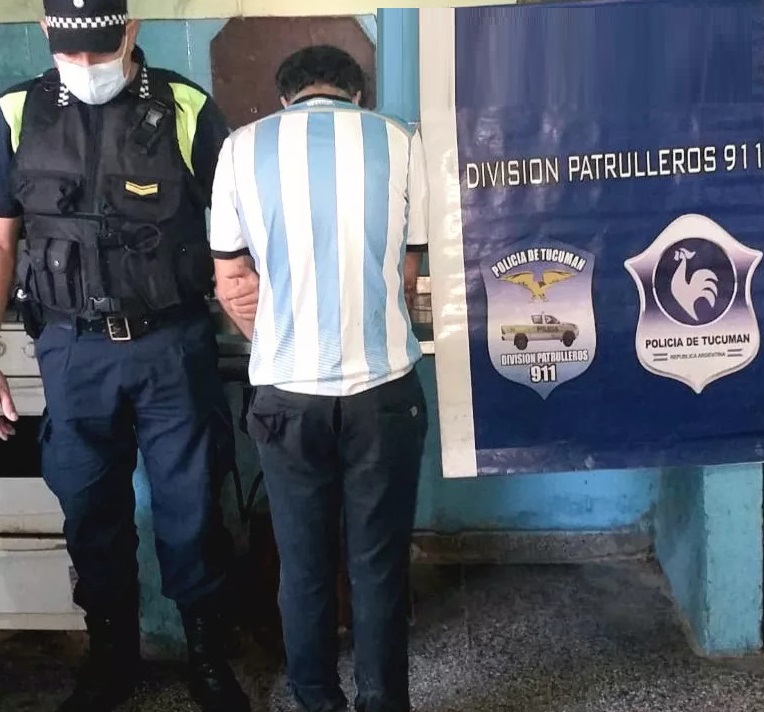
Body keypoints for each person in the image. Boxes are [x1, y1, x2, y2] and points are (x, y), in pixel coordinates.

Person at [0, 1, 252, 710]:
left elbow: (242, 227)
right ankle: (111, 658)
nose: (85, 67)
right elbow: (2, 241)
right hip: (71, 349)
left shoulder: (185, 107)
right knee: (89, 511)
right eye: (69, 53)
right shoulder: (16, 114)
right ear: (46, 34)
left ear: (130, 32)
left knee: (192, 507)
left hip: (172, 344)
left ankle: (207, 656)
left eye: (100, 50)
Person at [210, 45, 429, 712]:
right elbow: (410, 272)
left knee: (302, 566)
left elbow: (232, 279)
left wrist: (276, 341)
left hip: (286, 398)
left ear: (287, 98)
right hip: (383, 392)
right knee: (378, 565)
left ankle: (314, 700)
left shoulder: (241, 148)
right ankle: (382, 702)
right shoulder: (401, 141)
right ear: (356, 94)